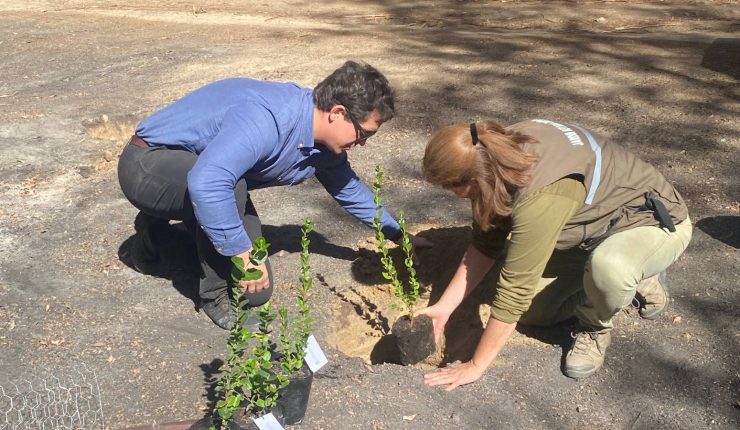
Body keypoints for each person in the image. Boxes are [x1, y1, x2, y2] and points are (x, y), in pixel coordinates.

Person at [117, 61, 432, 330]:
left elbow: (348, 189)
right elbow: (209, 182)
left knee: (256, 293)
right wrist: (241, 253)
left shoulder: (322, 144)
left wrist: (396, 233)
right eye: (364, 134)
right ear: (338, 112)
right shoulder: (269, 119)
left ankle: (163, 228)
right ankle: (211, 293)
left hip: (198, 175)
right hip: (147, 164)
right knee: (228, 193)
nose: (363, 143)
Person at [417, 119, 691, 389]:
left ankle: (600, 319)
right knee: (535, 314)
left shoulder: (541, 194)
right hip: (590, 230)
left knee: (611, 268)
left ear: (476, 178)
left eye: (451, 186)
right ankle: (616, 278)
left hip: (652, 223)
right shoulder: (492, 151)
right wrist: (444, 307)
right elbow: (486, 243)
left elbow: (516, 290)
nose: (451, 194)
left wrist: (475, 365)